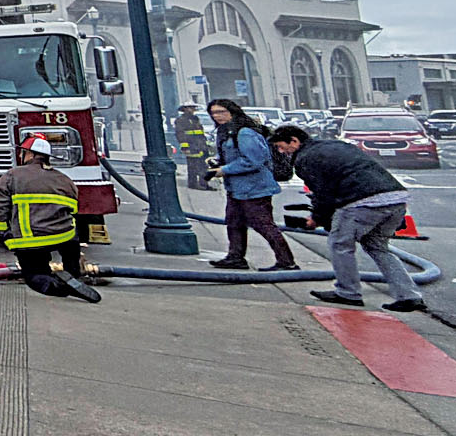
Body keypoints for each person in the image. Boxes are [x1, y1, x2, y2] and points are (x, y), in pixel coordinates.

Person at [269, 125, 427, 311]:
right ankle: (409, 296)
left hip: (362, 202)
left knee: (339, 244)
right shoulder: (336, 145)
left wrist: (316, 218)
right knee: (377, 247)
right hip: (396, 197)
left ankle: (348, 293)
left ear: (294, 141)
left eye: (281, 146)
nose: (281, 151)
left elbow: (323, 192)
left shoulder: (305, 159)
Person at [0, 134, 101, 303]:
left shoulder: (13, 176)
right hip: (64, 238)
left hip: (29, 240)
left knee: (35, 275)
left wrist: (4, 231)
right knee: (72, 242)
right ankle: (72, 275)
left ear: (29, 154)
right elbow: (73, 210)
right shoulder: (65, 180)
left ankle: (58, 287)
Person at [205, 98, 297, 271]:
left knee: (264, 225)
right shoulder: (225, 131)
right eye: (213, 113)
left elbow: (254, 160)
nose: (217, 116)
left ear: (232, 111)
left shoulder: (245, 132)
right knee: (234, 222)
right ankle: (235, 257)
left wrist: (224, 170)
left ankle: (287, 262)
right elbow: (231, 153)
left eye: (221, 112)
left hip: (255, 188)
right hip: (236, 188)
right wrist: (216, 161)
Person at [174, 104, 214, 192]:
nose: (192, 110)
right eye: (190, 108)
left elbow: (200, 133)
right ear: (184, 109)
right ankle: (193, 184)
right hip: (191, 146)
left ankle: (204, 184)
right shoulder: (180, 120)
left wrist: (206, 145)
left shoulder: (195, 119)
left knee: (203, 166)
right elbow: (180, 134)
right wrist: (185, 147)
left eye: (193, 108)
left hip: (201, 146)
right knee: (193, 166)